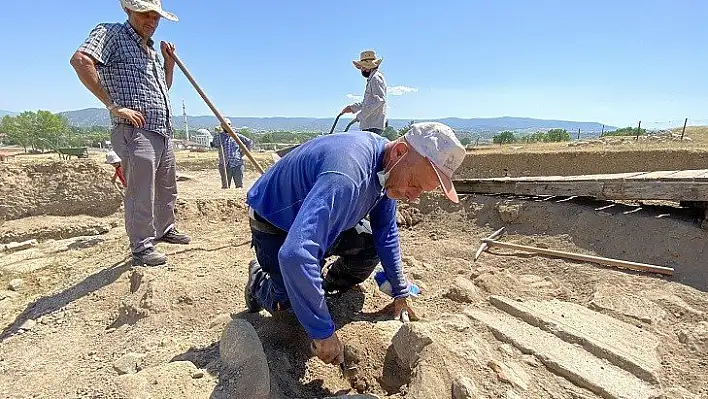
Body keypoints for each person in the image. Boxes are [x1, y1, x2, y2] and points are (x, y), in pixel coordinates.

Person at [244, 122, 466, 366]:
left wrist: (400, 292)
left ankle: (324, 285)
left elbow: (386, 232)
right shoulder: (348, 176)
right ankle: (258, 281)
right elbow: (295, 254)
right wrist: (322, 332)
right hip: (277, 224)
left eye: (421, 191)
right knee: (287, 302)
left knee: (370, 244)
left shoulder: (387, 169)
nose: (413, 196)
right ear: (400, 152)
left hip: (319, 222)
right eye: (414, 183)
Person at [69, 0, 190, 267]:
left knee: (166, 187)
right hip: (136, 131)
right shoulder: (112, 33)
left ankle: (165, 229)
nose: (151, 21)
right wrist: (114, 105)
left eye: (155, 17)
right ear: (129, 11)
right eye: (145, 14)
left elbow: (162, 90)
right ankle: (142, 247)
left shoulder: (151, 50)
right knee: (140, 190)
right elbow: (80, 60)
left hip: (161, 129)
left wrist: (168, 65)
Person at [341, 50, 387, 135]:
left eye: (362, 67)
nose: (361, 69)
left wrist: (361, 116)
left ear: (367, 67)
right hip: (370, 125)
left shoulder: (376, 78)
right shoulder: (372, 78)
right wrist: (352, 108)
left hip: (373, 125)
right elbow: (368, 102)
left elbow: (379, 101)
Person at [210, 118, 255, 189]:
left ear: (231, 125)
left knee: (239, 186)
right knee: (225, 186)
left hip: (237, 164)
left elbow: (249, 142)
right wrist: (216, 134)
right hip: (224, 164)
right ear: (222, 126)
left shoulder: (236, 136)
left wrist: (243, 153)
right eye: (225, 124)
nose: (227, 126)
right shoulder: (219, 136)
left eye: (229, 124)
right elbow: (215, 144)